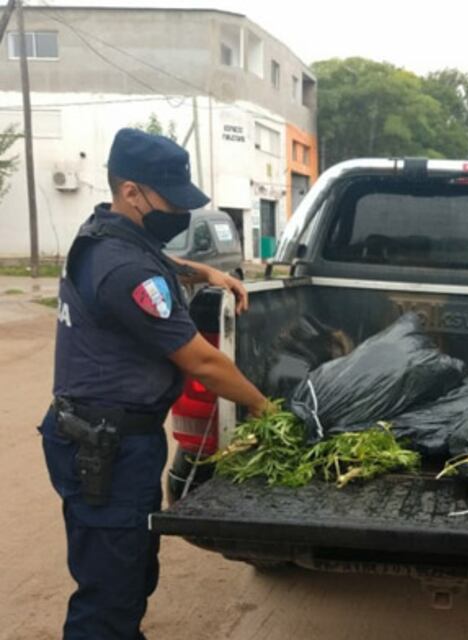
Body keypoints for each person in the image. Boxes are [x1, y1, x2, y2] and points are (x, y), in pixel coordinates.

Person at [39, 128, 271, 639]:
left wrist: (207, 274)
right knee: (108, 596)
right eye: (169, 197)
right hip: (104, 450)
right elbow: (204, 364)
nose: (179, 211)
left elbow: (159, 264)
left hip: (113, 439)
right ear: (131, 192)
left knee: (132, 573)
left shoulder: (108, 233)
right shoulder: (123, 268)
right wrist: (262, 406)